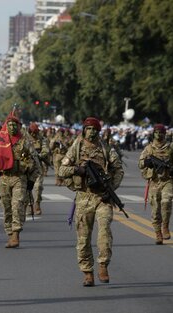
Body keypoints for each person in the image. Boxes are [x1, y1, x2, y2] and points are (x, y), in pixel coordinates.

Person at [59, 117, 124, 287]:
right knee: (83, 238)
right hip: (84, 197)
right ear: (84, 130)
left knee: (104, 232)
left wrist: (112, 189)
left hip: (103, 197)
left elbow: (118, 170)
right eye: (88, 129)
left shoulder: (105, 148)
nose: (92, 132)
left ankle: (103, 265)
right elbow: (62, 169)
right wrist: (77, 170)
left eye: (95, 129)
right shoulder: (77, 146)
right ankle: (87, 272)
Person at [0, 116, 40, 248]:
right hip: (4, 178)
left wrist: (31, 181)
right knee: (6, 207)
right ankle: (9, 233)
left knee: (17, 205)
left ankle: (16, 235)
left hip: (19, 178)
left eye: (14, 125)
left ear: (19, 126)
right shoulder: (0, 140)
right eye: (9, 125)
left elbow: (36, 164)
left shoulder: (25, 142)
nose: (12, 127)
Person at [138, 124, 173, 244]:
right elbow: (140, 163)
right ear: (153, 133)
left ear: (165, 134)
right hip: (154, 182)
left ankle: (165, 227)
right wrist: (147, 162)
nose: (159, 134)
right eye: (156, 132)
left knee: (166, 201)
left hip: (167, 180)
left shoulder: (170, 148)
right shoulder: (149, 148)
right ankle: (158, 233)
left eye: (161, 132)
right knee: (156, 209)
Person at [27, 122, 50, 215]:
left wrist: (39, 155)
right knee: (27, 188)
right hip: (27, 165)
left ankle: (37, 203)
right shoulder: (25, 139)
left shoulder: (42, 139)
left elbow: (46, 150)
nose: (34, 135)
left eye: (36, 133)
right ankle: (29, 205)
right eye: (32, 132)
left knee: (38, 186)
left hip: (38, 165)